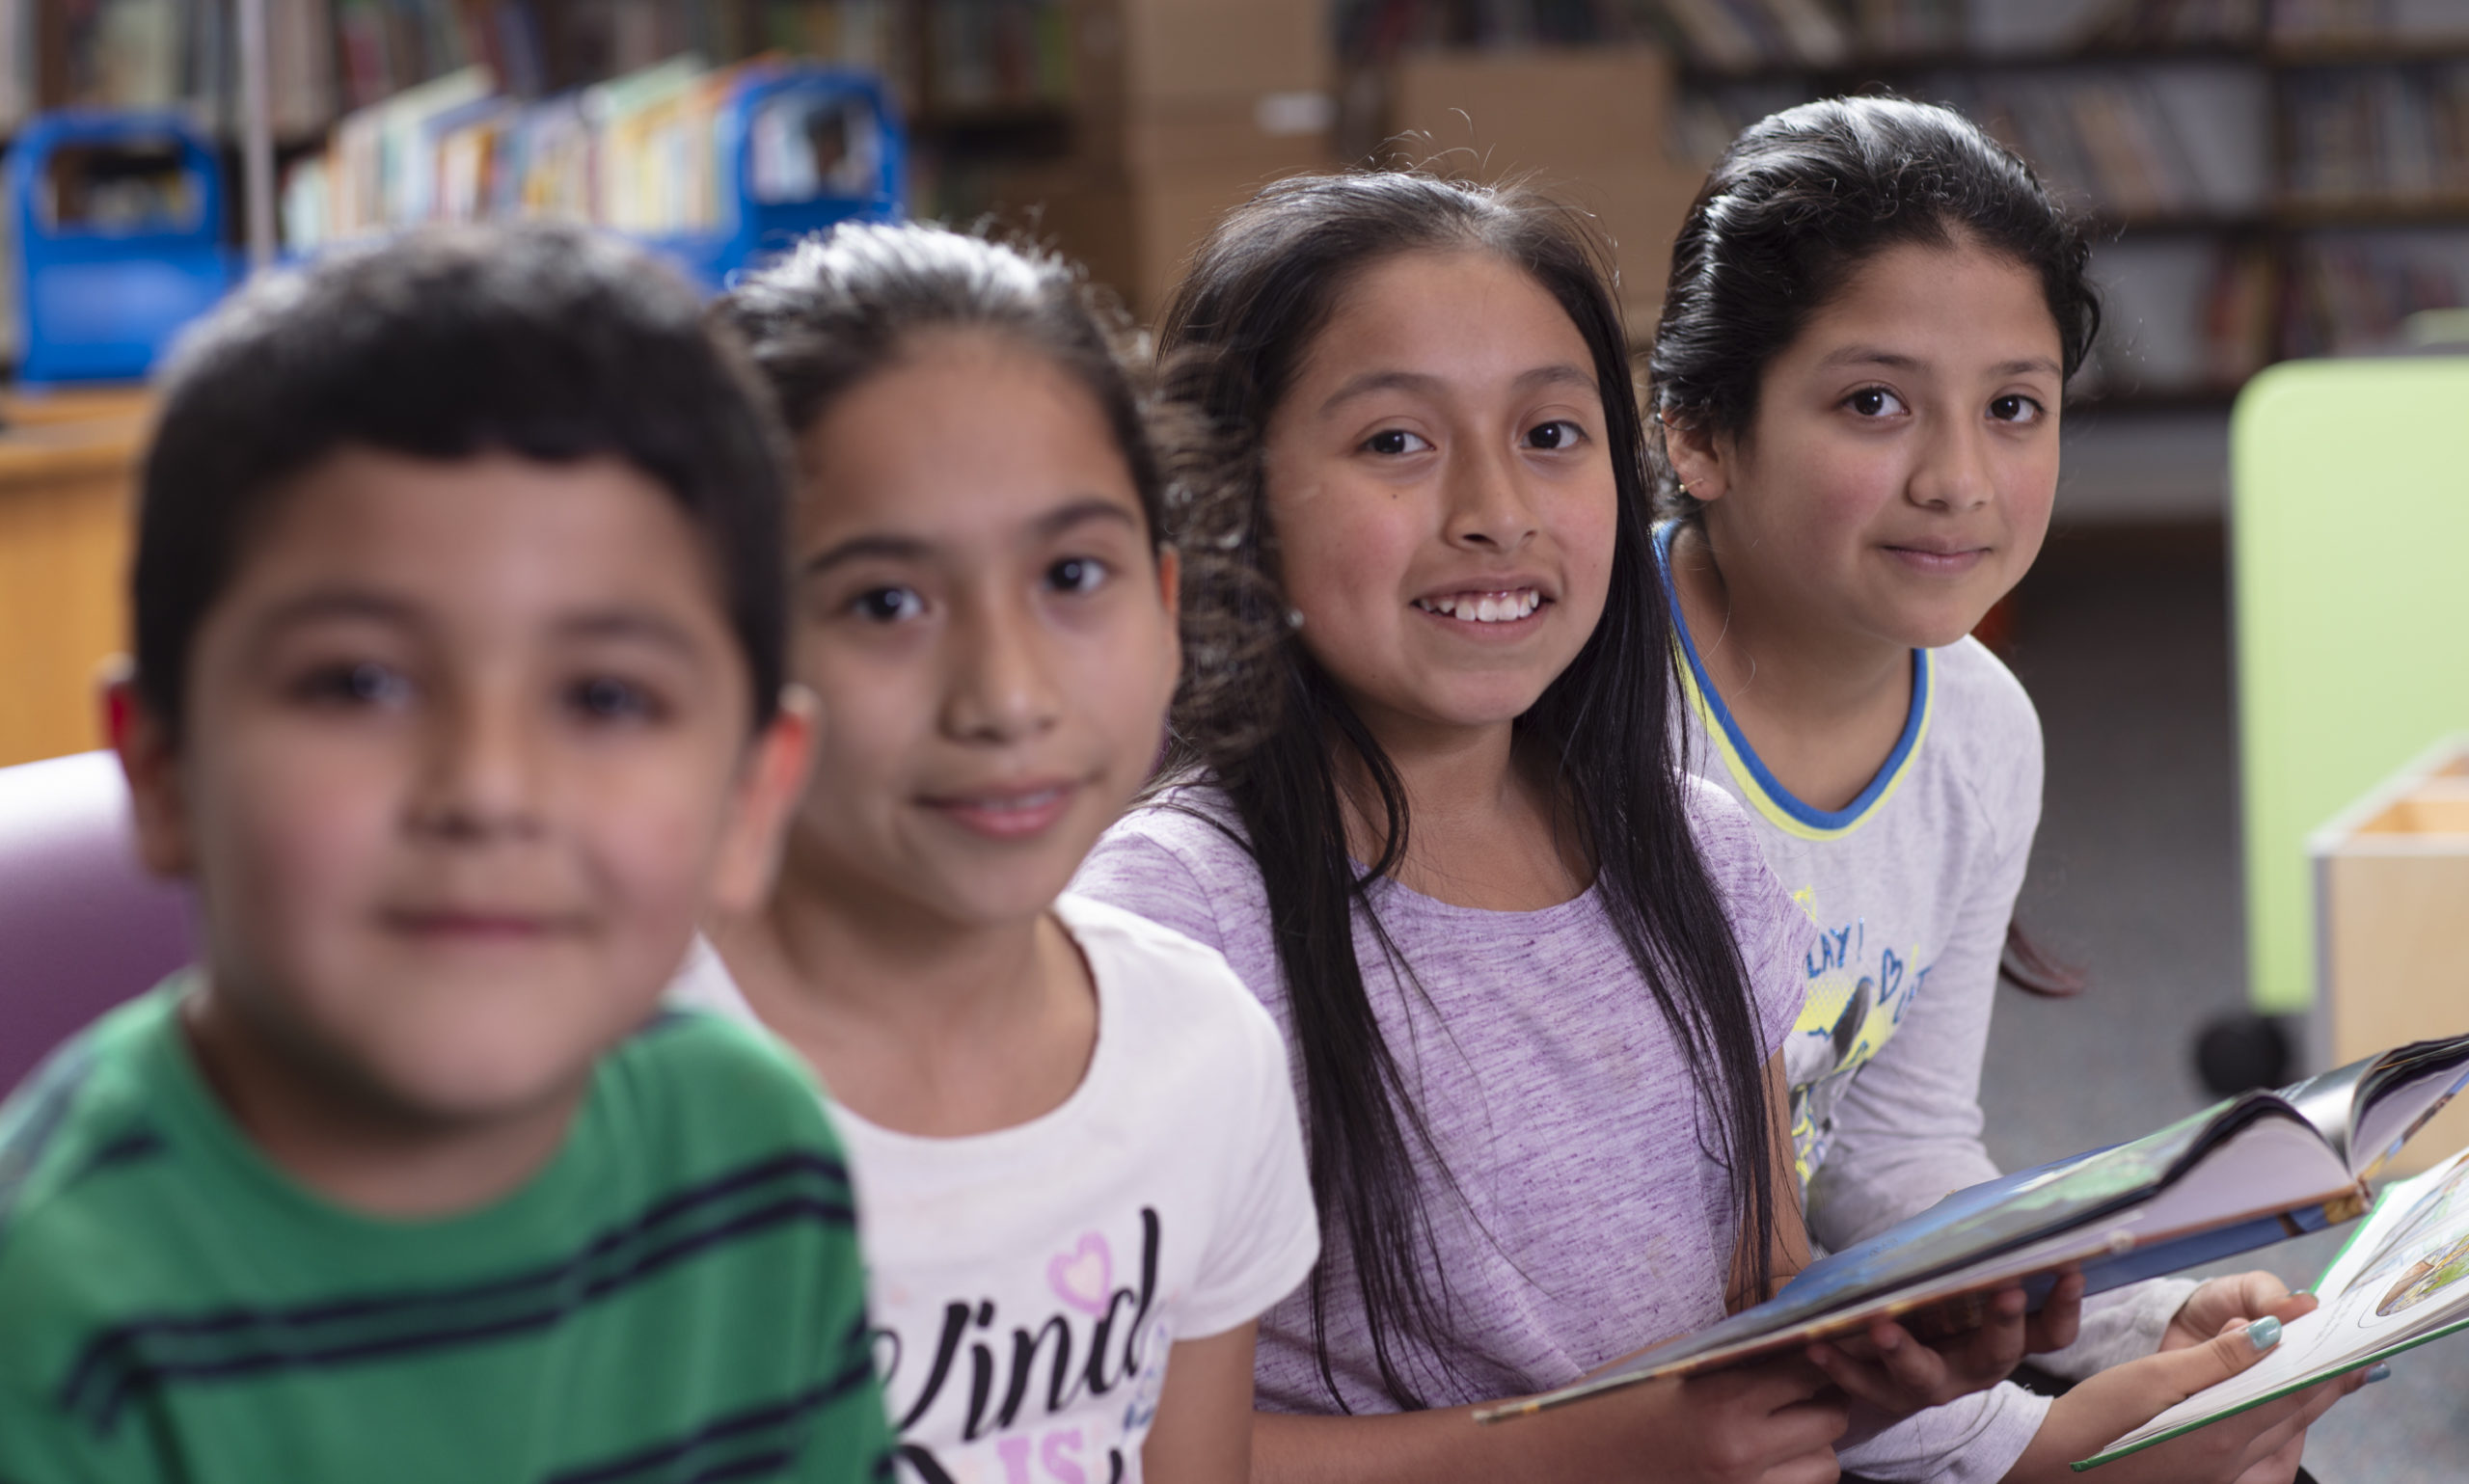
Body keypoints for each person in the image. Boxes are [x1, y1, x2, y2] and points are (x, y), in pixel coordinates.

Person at [1065, 168, 2218, 1482]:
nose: (1495, 511)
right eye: (1397, 442)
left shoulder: (1704, 855)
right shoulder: (1170, 925)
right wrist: (1613, 1447)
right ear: (1233, 503)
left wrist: (1981, 1403)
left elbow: (1771, 1312)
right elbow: (1118, 1454)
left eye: (1550, 436)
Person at [0, 227, 893, 1481]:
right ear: (159, 768)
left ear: (754, 798)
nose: (487, 789)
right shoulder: (49, 1316)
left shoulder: (755, 1157)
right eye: (358, 683)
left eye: (605, 698)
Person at [1647, 95, 2367, 1483]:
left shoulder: (1979, 725)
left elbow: (1894, 1155)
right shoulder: (1591, 721)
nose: (1959, 479)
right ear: (1700, 434)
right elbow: (1639, 1277)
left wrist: (2137, 1325)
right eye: (1874, 403)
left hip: (1823, 1331)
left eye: (2015, 408)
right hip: (1643, 1368)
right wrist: (2024, 1443)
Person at [678, 223, 1320, 1484]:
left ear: (1169, 606)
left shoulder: (1200, 1052)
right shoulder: (593, 1081)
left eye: (1073, 574)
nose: (1007, 697)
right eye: (886, 603)